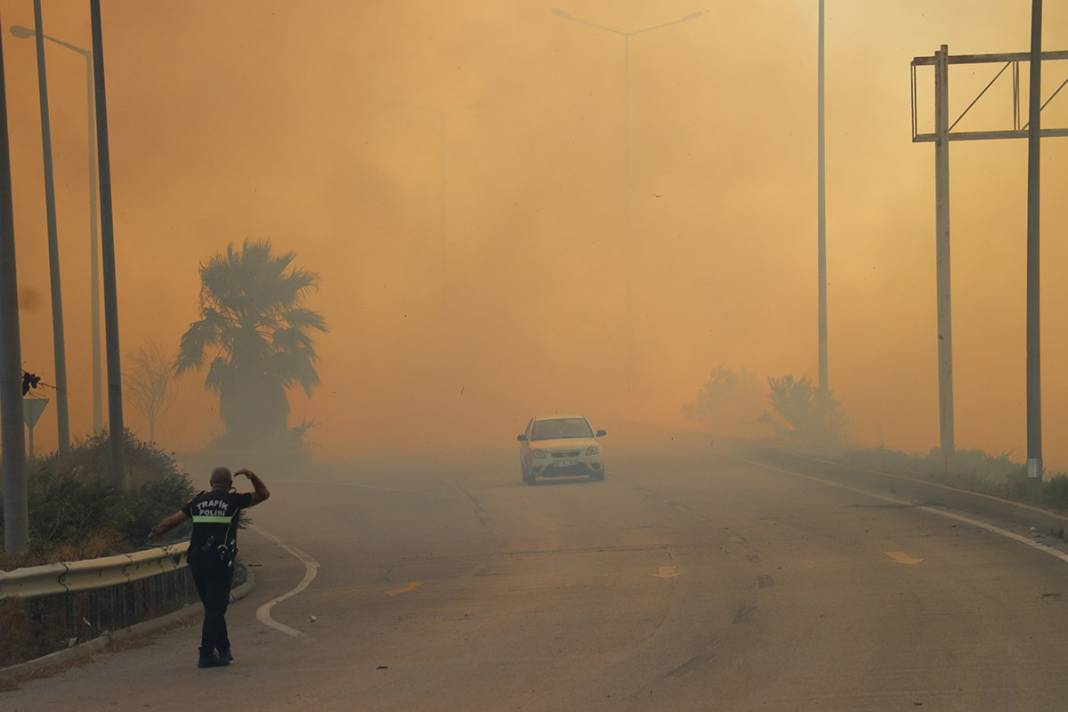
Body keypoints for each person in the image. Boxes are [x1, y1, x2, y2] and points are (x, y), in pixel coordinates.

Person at [148, 467, 270, 668]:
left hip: (197, 561)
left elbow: (171, 522)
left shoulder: (197, 501)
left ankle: (224, 649)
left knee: (212, 608)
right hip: (219, 562)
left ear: (211, 483)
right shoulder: (234, 500)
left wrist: (154, 533)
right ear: (230, 485)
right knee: (216, 608)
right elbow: (264, 494)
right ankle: (205, 654)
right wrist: (252, 476)